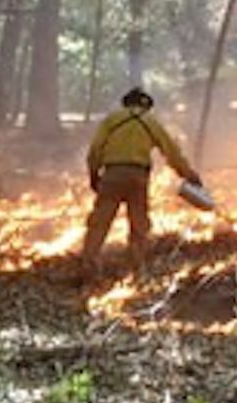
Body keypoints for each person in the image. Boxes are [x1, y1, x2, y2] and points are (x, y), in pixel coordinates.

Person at [81, 87, 202, 279]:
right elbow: (171, 153)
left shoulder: (112, 120)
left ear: (127, 103)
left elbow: (95, 150)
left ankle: (88, 264)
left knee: (100, 221)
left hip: (113, 174)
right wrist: (188, 175)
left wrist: (94, 175)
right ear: (145, 105)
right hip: (138, 177)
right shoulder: (150, 122)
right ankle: (136, 267)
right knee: (139, 223)